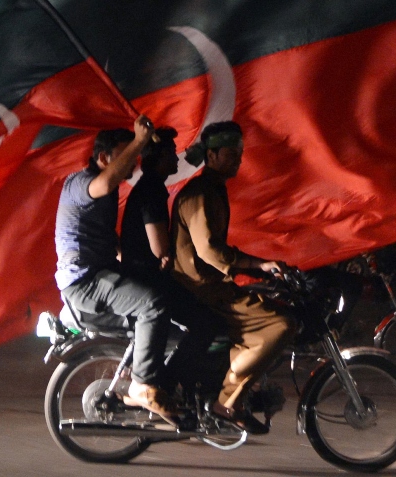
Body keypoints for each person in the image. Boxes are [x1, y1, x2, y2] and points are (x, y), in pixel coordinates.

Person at [171, 121, 294, 434]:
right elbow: (210, 251)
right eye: (231, 153)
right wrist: (257, 265)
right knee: (280, 324)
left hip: (212, 285)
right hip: (202, 289)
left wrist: (257, 268)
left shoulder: (212, 190)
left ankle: (234, 387)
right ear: (211, 155)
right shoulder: (200, 194)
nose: (238, 158)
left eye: (239, 152)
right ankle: (229, 401)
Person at [54, 116, 177, 424]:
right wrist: (139, 140)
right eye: (125, 157)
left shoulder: (105, 193)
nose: (131, 164)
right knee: (152, 303)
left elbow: (107, 236)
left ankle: (152, 378)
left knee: (161, 297)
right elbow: (107, 181)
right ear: (104, 157)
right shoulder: (82, 184)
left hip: (101, 273)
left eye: (134, 158)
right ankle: (141, 385)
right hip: (85, 281)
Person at [119, 126, 226, 396]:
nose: (177, 160)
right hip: (148, 278)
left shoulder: (150, 187)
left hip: (146, 274)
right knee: (206, 322)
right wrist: (167, 255)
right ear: (158, 157)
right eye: (171, 154)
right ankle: (169, 381)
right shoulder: (152, 190)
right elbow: (159, 248)